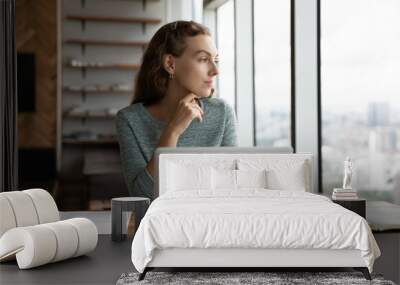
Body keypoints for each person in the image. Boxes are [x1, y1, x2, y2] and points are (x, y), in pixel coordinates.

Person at [115, 20, 238, 201]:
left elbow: (233, 190)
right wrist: (173, 131)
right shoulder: (129, 120)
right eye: (204, 59)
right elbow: (142, 198)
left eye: (216, 60)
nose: (215, 70)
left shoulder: (223, 113)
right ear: (171, 64)